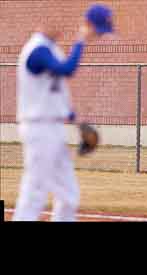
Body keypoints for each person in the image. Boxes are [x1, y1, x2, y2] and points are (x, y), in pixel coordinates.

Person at [13, 8, 109, 221]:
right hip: (38, 128)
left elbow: (55, 93)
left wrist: (76, 121)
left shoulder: (51, 49)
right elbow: (67, 70)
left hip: (53, 127)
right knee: (34, 191)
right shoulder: (37, 50)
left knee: (68, 193)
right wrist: (81, 40)